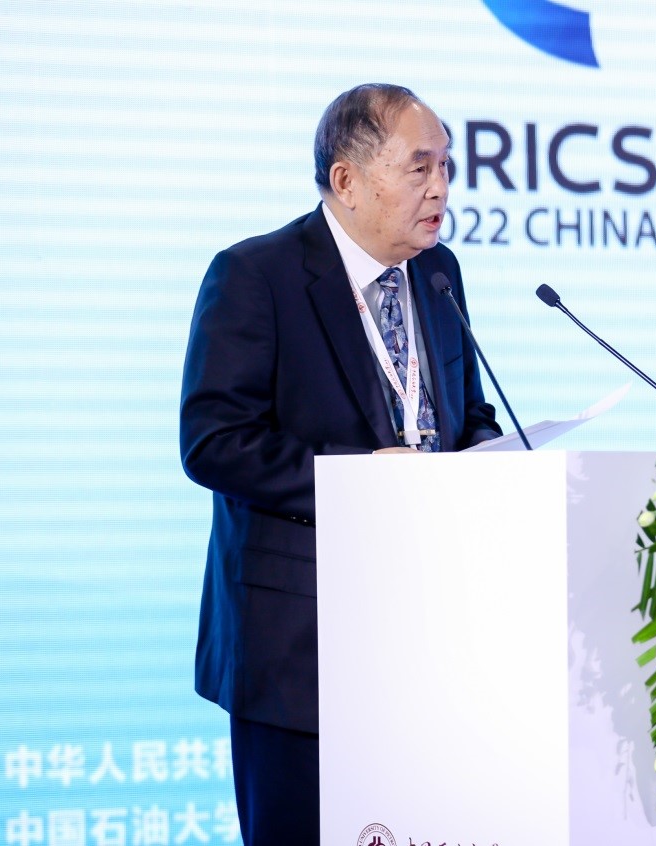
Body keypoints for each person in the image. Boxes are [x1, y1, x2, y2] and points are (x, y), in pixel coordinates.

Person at [179, 83, 501, 845]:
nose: (440, 188)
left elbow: (463, 414)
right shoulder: (256, 274)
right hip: (299, 645)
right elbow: (213, 441)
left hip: (429, 632)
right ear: (346, 179)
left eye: (447, 167)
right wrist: (358, 480)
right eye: (419, 167)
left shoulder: (438, 272)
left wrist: (493, 460)